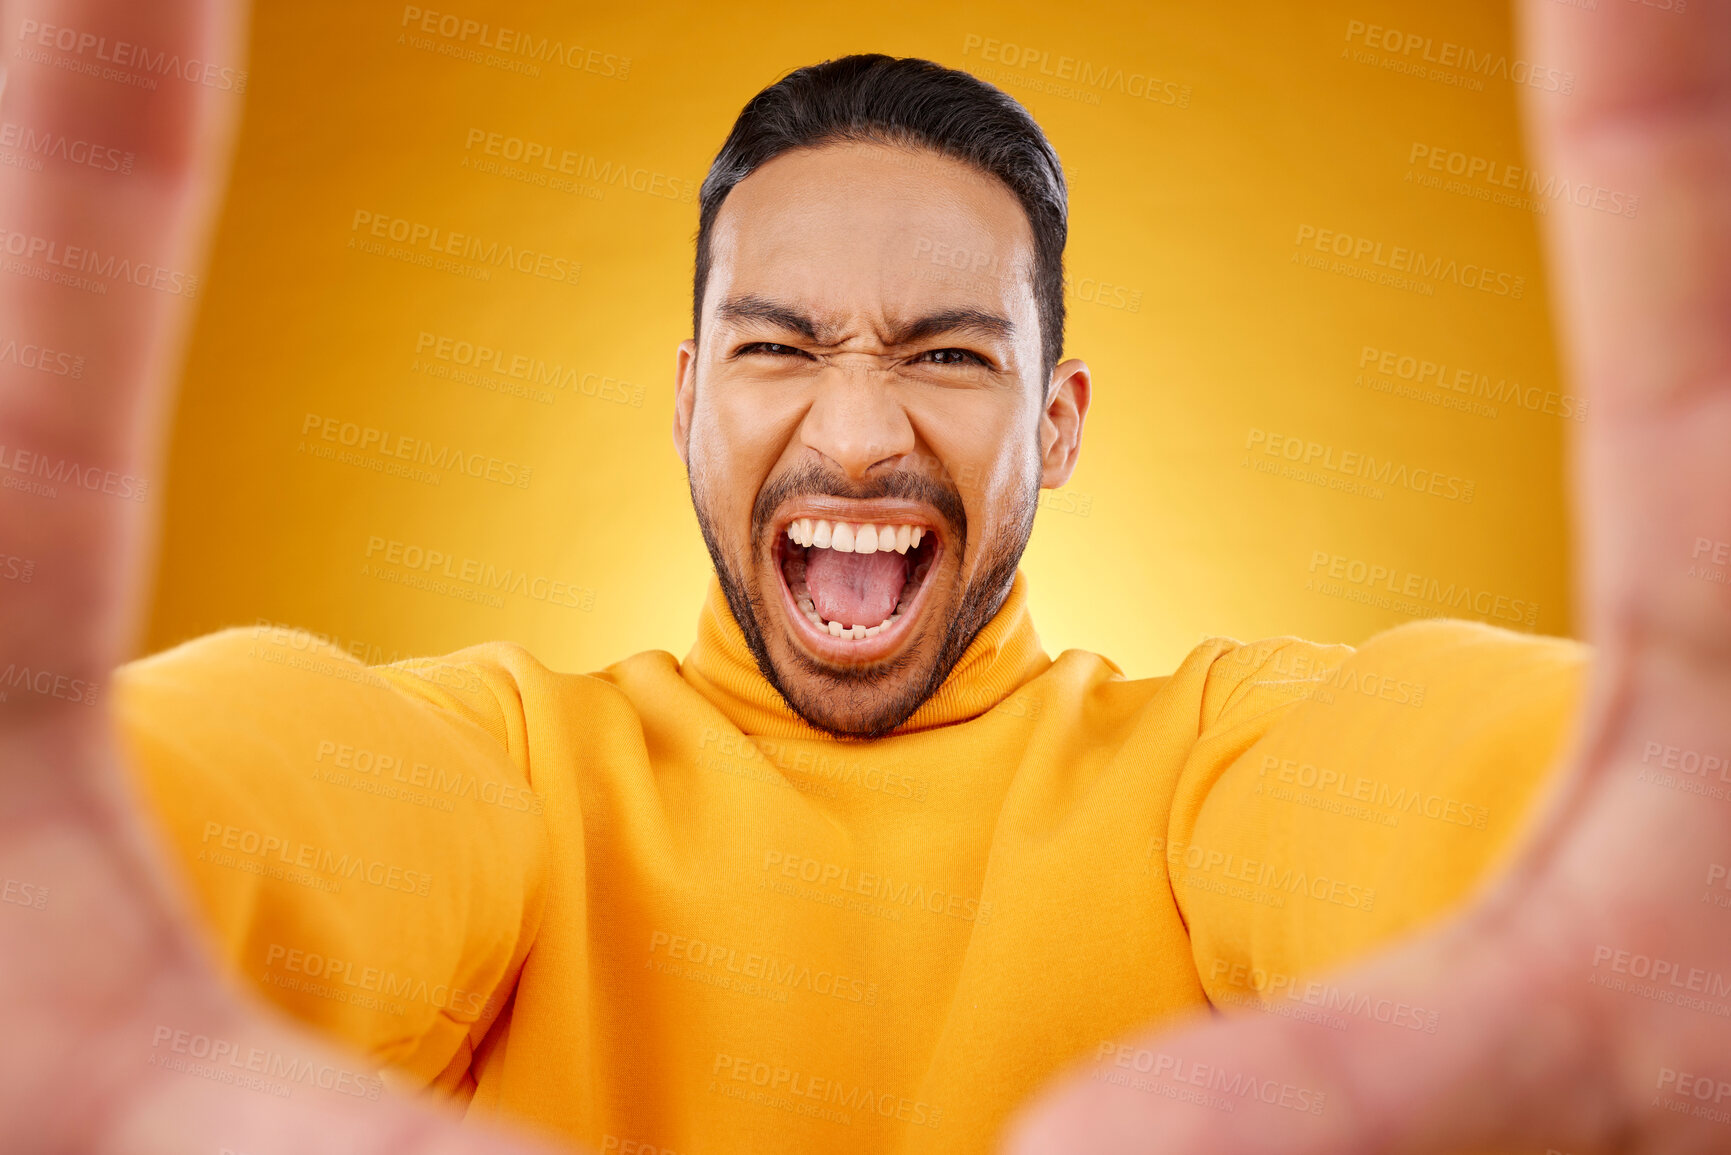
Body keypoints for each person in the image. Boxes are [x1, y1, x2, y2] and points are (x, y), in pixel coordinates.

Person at [2, 1, 1726, 1153]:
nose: (853, 431)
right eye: (779, 347)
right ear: (686, 400)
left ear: (1056, 426)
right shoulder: (510, 769)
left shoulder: (1215, 770)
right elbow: (255, 789)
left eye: (948, 357)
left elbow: (1458, 780)